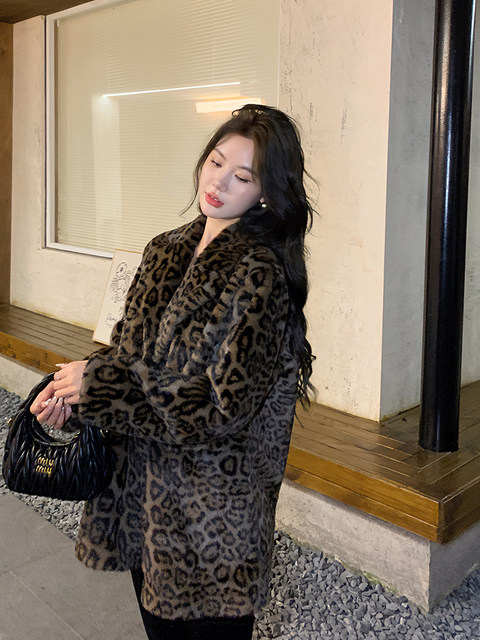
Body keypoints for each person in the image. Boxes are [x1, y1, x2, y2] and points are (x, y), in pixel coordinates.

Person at [30, 104, 315, 640]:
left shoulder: (260, 276)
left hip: (210, 523)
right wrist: (77, 398)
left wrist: (103, 387)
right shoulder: (164, 249)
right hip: (142, 501)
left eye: (242, 176)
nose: (218, 182)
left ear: (265, 193)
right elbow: (125, 357)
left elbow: (220, 407)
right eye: (216, 162)